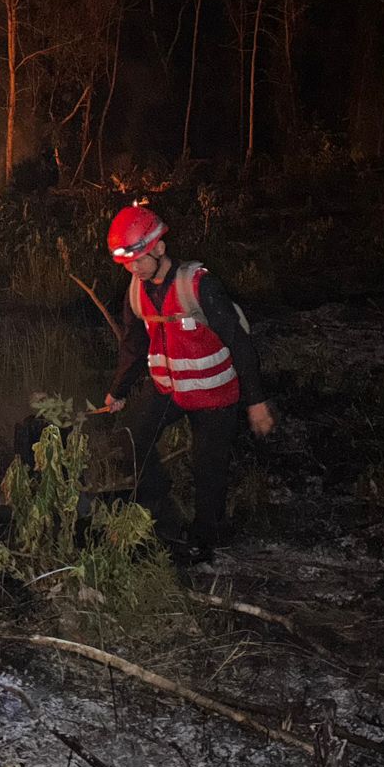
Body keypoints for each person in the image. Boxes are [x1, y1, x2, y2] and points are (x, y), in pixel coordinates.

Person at [103, 204, 275, 564]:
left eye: (138, 259)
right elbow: (134, 345)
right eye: (127, 263)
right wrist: (117, 391)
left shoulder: (199, 285)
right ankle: (158, 506)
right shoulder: (135, 292)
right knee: (132, 439)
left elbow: (239, 342)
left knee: (207, 471)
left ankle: (206, 539)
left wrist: (255, 403)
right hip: (170, 391)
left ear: (159, 248)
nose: (133, 268)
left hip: (215, 396)